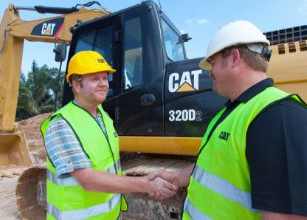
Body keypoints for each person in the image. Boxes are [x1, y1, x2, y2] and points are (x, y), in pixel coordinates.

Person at [149, 20, 307, 219]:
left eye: (212, 63)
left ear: (233, 58)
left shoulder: (278, 116)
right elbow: (221, 165)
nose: (209, 73)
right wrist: (179, 176)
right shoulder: (233, 111)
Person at [41, 51, 177, 220]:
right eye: (95, 79)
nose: (103, 84)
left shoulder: (103, 117)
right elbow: (87, 179)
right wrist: (145, 184)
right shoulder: (61, 124)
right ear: (77, 85)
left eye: (105, 78)